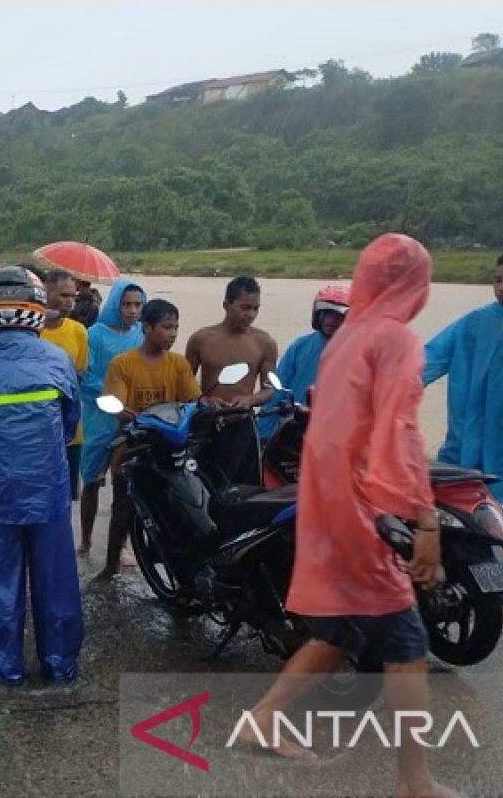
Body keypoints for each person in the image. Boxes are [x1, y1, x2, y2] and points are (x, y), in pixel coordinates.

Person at [236, 234, 458, 798]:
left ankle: (262, 719)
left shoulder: (347, 337)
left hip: (323, 504)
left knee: (339, 626)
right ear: (416, 283)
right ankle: (414, 780)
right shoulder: (394, 340)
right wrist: (425, 523)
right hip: (359, 511)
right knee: (406, 645)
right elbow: (401, 433)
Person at [0, 265, 84, 683]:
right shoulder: (58, 360)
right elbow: (69, 419)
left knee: (0, 582)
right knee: (56, 581)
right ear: (37, 310)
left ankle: (7, 670)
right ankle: (60, 667)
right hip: (48, 489)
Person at [101, 300, 203, 579]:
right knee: (122, 508)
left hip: (170, 445)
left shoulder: (179, 364)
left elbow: (193, 399)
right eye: (167, 327)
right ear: (147, 328)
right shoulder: (122, 364)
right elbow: (117, 404)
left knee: (181, 506)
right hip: (132, 444)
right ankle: (110, 566)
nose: (172, 334)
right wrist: (125, 412)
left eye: (176, 328)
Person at [422, 254, 503, 501]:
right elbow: (427, 360)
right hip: (464, 446)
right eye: (497, 280)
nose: (501, 288)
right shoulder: (474, 323)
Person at [184, 276, 277, 486]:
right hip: (206, 423)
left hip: (242, 425)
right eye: (245, 307)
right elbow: (184, 383)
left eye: (255, 308)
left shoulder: (265, 343)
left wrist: (250, 400)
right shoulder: (201, 339)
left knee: (244, 489)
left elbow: (269, 389)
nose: (250, 315)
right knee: (201, 485)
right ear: (226, 305)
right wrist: (203, 399)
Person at [77, 279, 145, 556]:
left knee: (126, 484)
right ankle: (86, 539)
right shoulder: (95, 334)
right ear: (116, 304)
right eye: (126, 304)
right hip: (99, 415)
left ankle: (123, 544)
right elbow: (86, 376)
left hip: (132, 416)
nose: (132, 310)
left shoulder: (142, 333)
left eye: (138, 305)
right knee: (91, 480)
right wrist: (111, 401)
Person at [257, 284, 350, 439]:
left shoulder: (359, 353)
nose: (331, 320)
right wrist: (263, 435)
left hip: (336, 432)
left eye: (338, 316)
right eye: (327, 314)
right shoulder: (300, 346)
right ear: (318, 315)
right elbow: (278, 389)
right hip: (296, 426)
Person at [39, 270, 89, 501]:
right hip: (37, 428)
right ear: (45, 293)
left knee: (65, 498)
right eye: (63, 295)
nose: (70, 302)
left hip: (70, 429)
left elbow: (79, 375)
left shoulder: (78, 331)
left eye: (73, 296)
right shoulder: (31, 331)